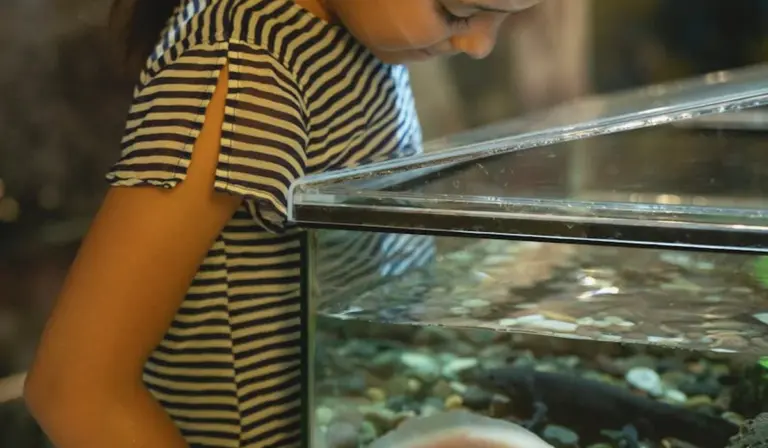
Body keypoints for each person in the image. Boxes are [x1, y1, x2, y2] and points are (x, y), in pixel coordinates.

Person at [23, 0, 539, 447]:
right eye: (457, 12)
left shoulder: (360, 39)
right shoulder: (250, 62)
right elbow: (74, 388)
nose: (478, 45)